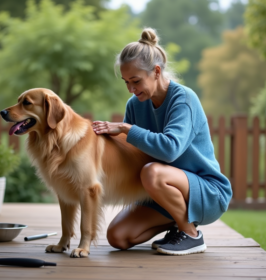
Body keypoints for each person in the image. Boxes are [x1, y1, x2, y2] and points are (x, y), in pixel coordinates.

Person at [92, 28, 232, 256]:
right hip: (161, 192)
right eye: (126, 82)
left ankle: (191, 235)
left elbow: (169, 150)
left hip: (207, 191)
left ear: (156, 71)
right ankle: (178, 223)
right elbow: (132, 153)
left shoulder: (184, 99)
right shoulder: (135, 104)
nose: (131, 89)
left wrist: (125, 129)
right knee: (117, 237)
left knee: (152, 172)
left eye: (136, 81)